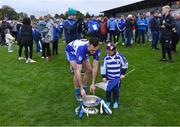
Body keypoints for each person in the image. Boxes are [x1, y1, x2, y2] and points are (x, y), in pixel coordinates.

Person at [101, 42, 128, 109]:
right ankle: (108, 101)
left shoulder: (119, 56)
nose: (107, 52)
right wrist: (103, 76)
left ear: (114, 50)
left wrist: (122, 74)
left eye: (109, 51)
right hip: (109, 77)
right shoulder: (106, 57)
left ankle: (115, 101)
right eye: (106, 50)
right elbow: (103, 67)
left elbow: (125, 64)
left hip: (117, 78)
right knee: (108, 90)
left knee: (116, 90)